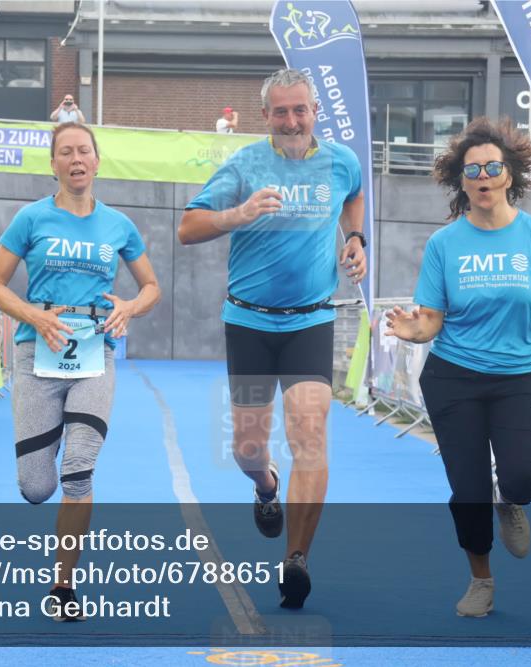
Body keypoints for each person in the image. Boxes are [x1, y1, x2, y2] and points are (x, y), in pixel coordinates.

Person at [384, 117, 531, 618]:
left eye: (493, 166)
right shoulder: (444, 244)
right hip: (453, 377)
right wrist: (415, 331)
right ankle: (481, 580)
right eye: (472, 170)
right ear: (462, 181)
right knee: (466, 490)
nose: (483, 176)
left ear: (509, 175)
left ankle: (509, 499)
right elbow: (431, 319)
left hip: (517, 376)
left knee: (526, 473)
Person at [179, 68, 366, 610]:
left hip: (311, 318)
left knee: (310, 428)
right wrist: (237, 214)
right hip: (251, 322)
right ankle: (265, 486)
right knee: (247, 449)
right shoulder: (244, 165)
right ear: (265, 117)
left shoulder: (341, 161)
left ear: (314, 112)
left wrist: (354, 238)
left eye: (300, 110)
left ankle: (297, 558)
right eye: (281, 112)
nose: (291, 121)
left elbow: (353, 196)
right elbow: (189, 228)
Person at [0, 121, 160, 620]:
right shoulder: (30, 218)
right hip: (36, 352)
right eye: (66, 152)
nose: (76, 158)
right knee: (37, 488)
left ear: (97, 161)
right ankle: (41, 451)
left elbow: (151, 287)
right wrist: (34, 315)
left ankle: (63, 586)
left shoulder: (118, 225)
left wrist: (130, 307)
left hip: (94, 351)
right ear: (54, 163)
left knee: (79, 470)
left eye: (84, 150)